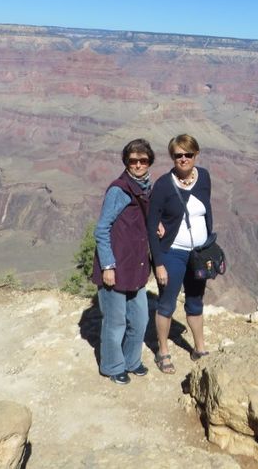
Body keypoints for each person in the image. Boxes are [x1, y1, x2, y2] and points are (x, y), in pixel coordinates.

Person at [91, 138, 155, 384]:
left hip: (136, 267)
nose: (138, 165)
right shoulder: (119, 189)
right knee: (115, 322)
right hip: (116, 267)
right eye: (133, 161)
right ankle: (113, 365)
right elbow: (102, 228)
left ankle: (132, 360)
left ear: (149, 162)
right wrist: (108, 265)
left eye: (143, 160)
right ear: (126, 163)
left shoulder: (145, 187)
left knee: (140, 319)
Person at [147, 133, 212, 374]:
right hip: (172, 253)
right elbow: (151, 225)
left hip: (198, 254)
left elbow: (206, 211)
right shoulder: (164, 185)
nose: (183, 159)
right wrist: (159, 264)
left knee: (195, 302)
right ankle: (162, 351)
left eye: (188, 154)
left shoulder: (204, 177)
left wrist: (208, 243)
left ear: (196, 155)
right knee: (166, 304)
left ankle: (200, 348)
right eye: (178, 155)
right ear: (172, 157)